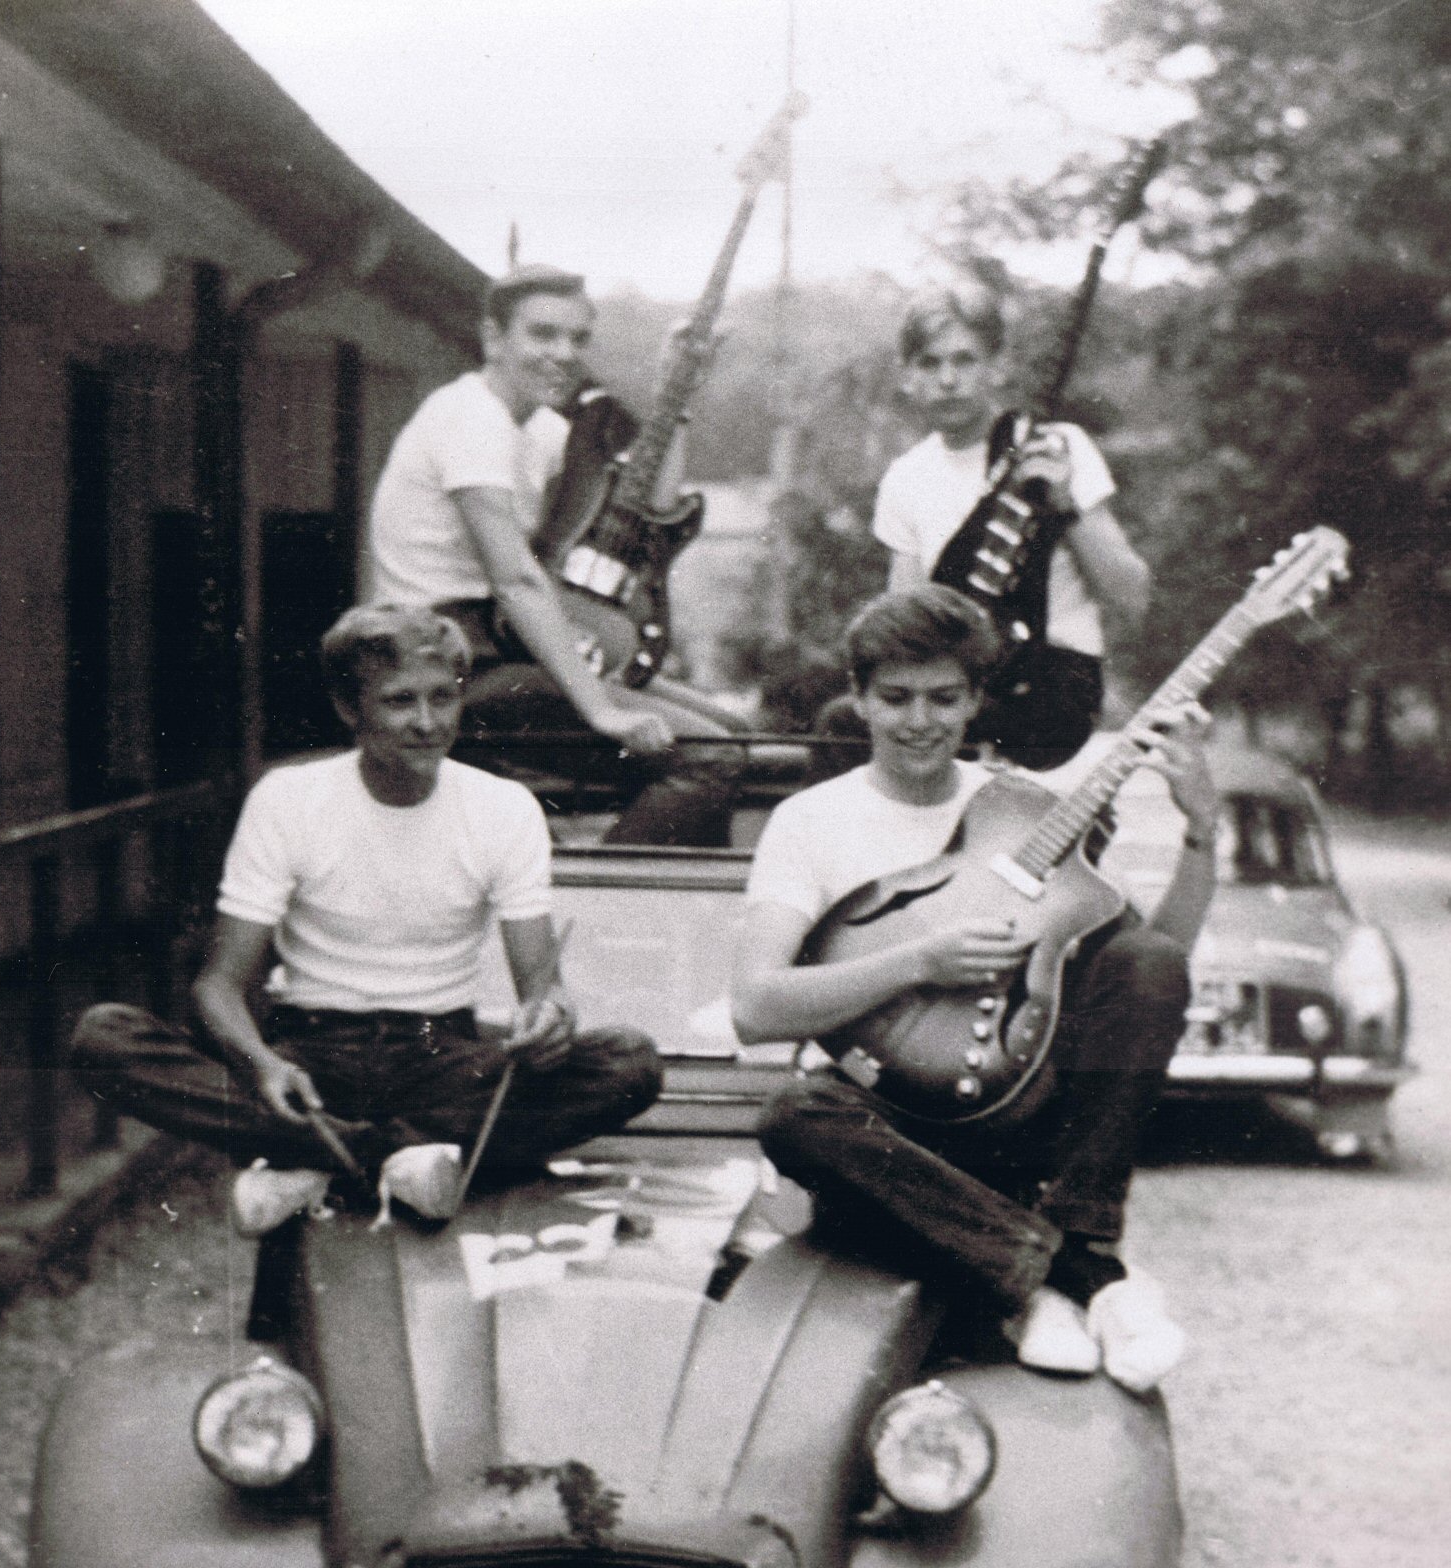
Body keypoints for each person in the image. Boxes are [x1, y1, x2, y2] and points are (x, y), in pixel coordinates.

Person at [731, 587, 1218, 1392]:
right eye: (896, 697)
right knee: (795, 1113)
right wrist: (918, 961)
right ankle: (1074, 1277)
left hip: (1015, 1121)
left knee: (1148, 962)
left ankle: (1072, 1246)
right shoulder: (810, 822)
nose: (920, 720)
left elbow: (1154, 968)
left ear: (975, 699)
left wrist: (1202, 830)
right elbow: (754, 1007)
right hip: (896, 1141)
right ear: (858, 696)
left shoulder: (1023, 808)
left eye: (944, 697)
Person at [70, 606, 662, 1239]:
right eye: (400, 701)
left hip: (444, 1057)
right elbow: (218, 985)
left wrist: (548, 1021)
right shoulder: (288, 798)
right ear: (349, 708)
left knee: (630, 1062)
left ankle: (322, 1161)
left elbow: (540, 987)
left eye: (443, 697)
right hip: (313, 1055)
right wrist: (264, 1064)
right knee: (104, 1039)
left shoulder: (505, 808)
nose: (428, 723)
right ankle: (404, 1158)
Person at [368, 263, 736, 847]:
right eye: (542, 334)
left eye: (578, 338)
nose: (564, 354)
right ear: (493, 338)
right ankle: (599, 897)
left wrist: (678, 393)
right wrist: (601, 710)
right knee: (707, 758)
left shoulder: (540, 429)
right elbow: (516, 580)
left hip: (508, 648)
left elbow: (649, 506)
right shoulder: (467, 417)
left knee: (734, 732)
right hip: (444, 664)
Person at [867, 283, 1153, 770]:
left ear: (998, 367)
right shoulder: (905, 477)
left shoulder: (1055, 446)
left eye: (965, 361)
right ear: (907, 377)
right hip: (959, 688)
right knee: (842, 724)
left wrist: (1063, 503)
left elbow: (1133, 597)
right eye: (930, 364)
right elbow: (905, 629)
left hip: (1053, 687)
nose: (948, 380)